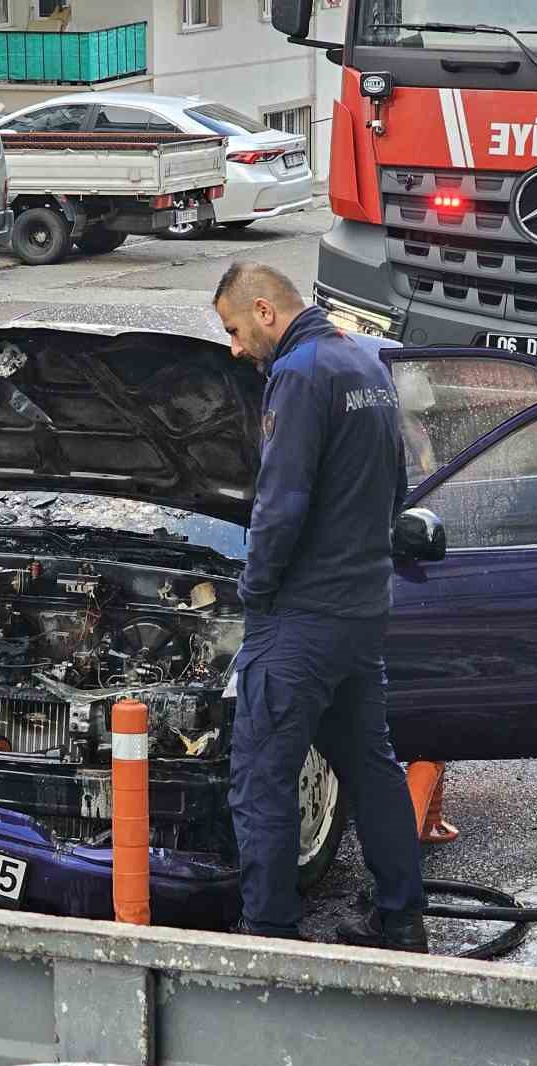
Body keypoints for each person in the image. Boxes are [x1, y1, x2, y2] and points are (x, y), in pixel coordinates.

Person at [211, 261, 428, 952]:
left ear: (267, 310)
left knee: (262, 777)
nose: (236, 348)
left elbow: (281, 503)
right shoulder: (363, 365)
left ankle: (269, 936)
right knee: (370, 765)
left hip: (301, 619)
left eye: (237, 330)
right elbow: (397, 489)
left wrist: (256, 592)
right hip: (362, 611)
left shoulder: (300, 374)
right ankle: (402, 918)